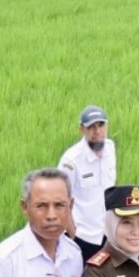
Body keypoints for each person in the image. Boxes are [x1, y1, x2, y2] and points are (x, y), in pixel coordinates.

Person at [58, 105, 117, 263]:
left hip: (107, 234)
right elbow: (61, 201)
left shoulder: (110, 149)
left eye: (101, 125)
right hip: (83, 237)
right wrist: (74, 237)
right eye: (91, 127)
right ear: (81, 129)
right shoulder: (71, 161)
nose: (97, 131)